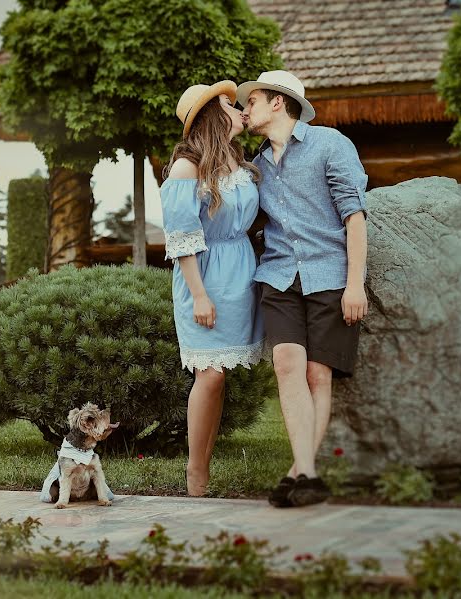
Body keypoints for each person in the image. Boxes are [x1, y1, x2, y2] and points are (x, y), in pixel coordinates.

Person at [239, 70, 369, 507]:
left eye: (252, 101)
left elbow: (354, 218)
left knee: (318, 374)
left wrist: (355, 286)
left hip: (329, 275)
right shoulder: (255, 166)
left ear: (278, 102)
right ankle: (308, 473)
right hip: (278, 276)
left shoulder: (331, 145)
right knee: (286, 365)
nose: (246, 109)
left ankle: (297, 473)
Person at [160, 80, 265, 497]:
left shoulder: (240, 164)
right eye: (230, 105)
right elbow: (182, 237)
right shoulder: (187, 168)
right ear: (211, 116)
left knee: (219, 377)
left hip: (241, 273)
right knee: (210, 375)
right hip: (203, 277)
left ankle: (203, 462)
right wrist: (199, 295)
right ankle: (195, 471)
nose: (240, 111)